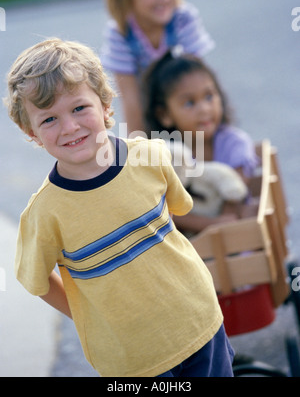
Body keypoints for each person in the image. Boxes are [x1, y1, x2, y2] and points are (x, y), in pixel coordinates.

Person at [5, 38, 234, 377]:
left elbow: (171, 215)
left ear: (105, 104)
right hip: (131, 360)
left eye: (79, 108)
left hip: (199, 323)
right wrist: (90, 316)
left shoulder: (151, 156)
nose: (70, 127)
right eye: (49, 119)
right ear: (32, 132)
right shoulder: (44, 214)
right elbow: (37, 281)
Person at [100, 0, 215, 134]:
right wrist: (137, 149)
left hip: (190, 115)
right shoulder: (121, 34)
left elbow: (199, 83)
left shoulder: (183, 19)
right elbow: (131, 101)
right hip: (150, 119)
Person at [142, 49, 258, 233]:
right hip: (194, 243)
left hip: (240, 237)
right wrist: (210, 226)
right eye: (189, 103)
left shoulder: (234, 143)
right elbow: (164, 208)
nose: (204, 109)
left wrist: (220, 226)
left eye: (209, 96)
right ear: (164, 115)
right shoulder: (168, 155)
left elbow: (233, 199)